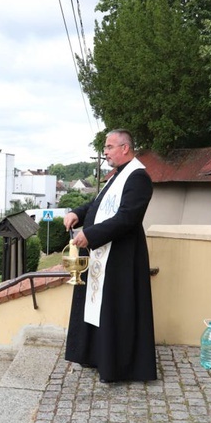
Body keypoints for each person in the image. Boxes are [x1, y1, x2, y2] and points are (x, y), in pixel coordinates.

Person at [63, 129, 157, 384]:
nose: (105, 152)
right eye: (106, 147)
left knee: (116, 310)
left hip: (122, 257)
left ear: (125, 148)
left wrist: (91, 236)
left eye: (109, 147)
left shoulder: (138, 178)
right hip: (106, 255)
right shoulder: (118, 175)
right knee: (99, 308)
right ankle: (96, 356)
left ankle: (118, 365)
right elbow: (99, 205)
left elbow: (127, 218)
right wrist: (77, 214)